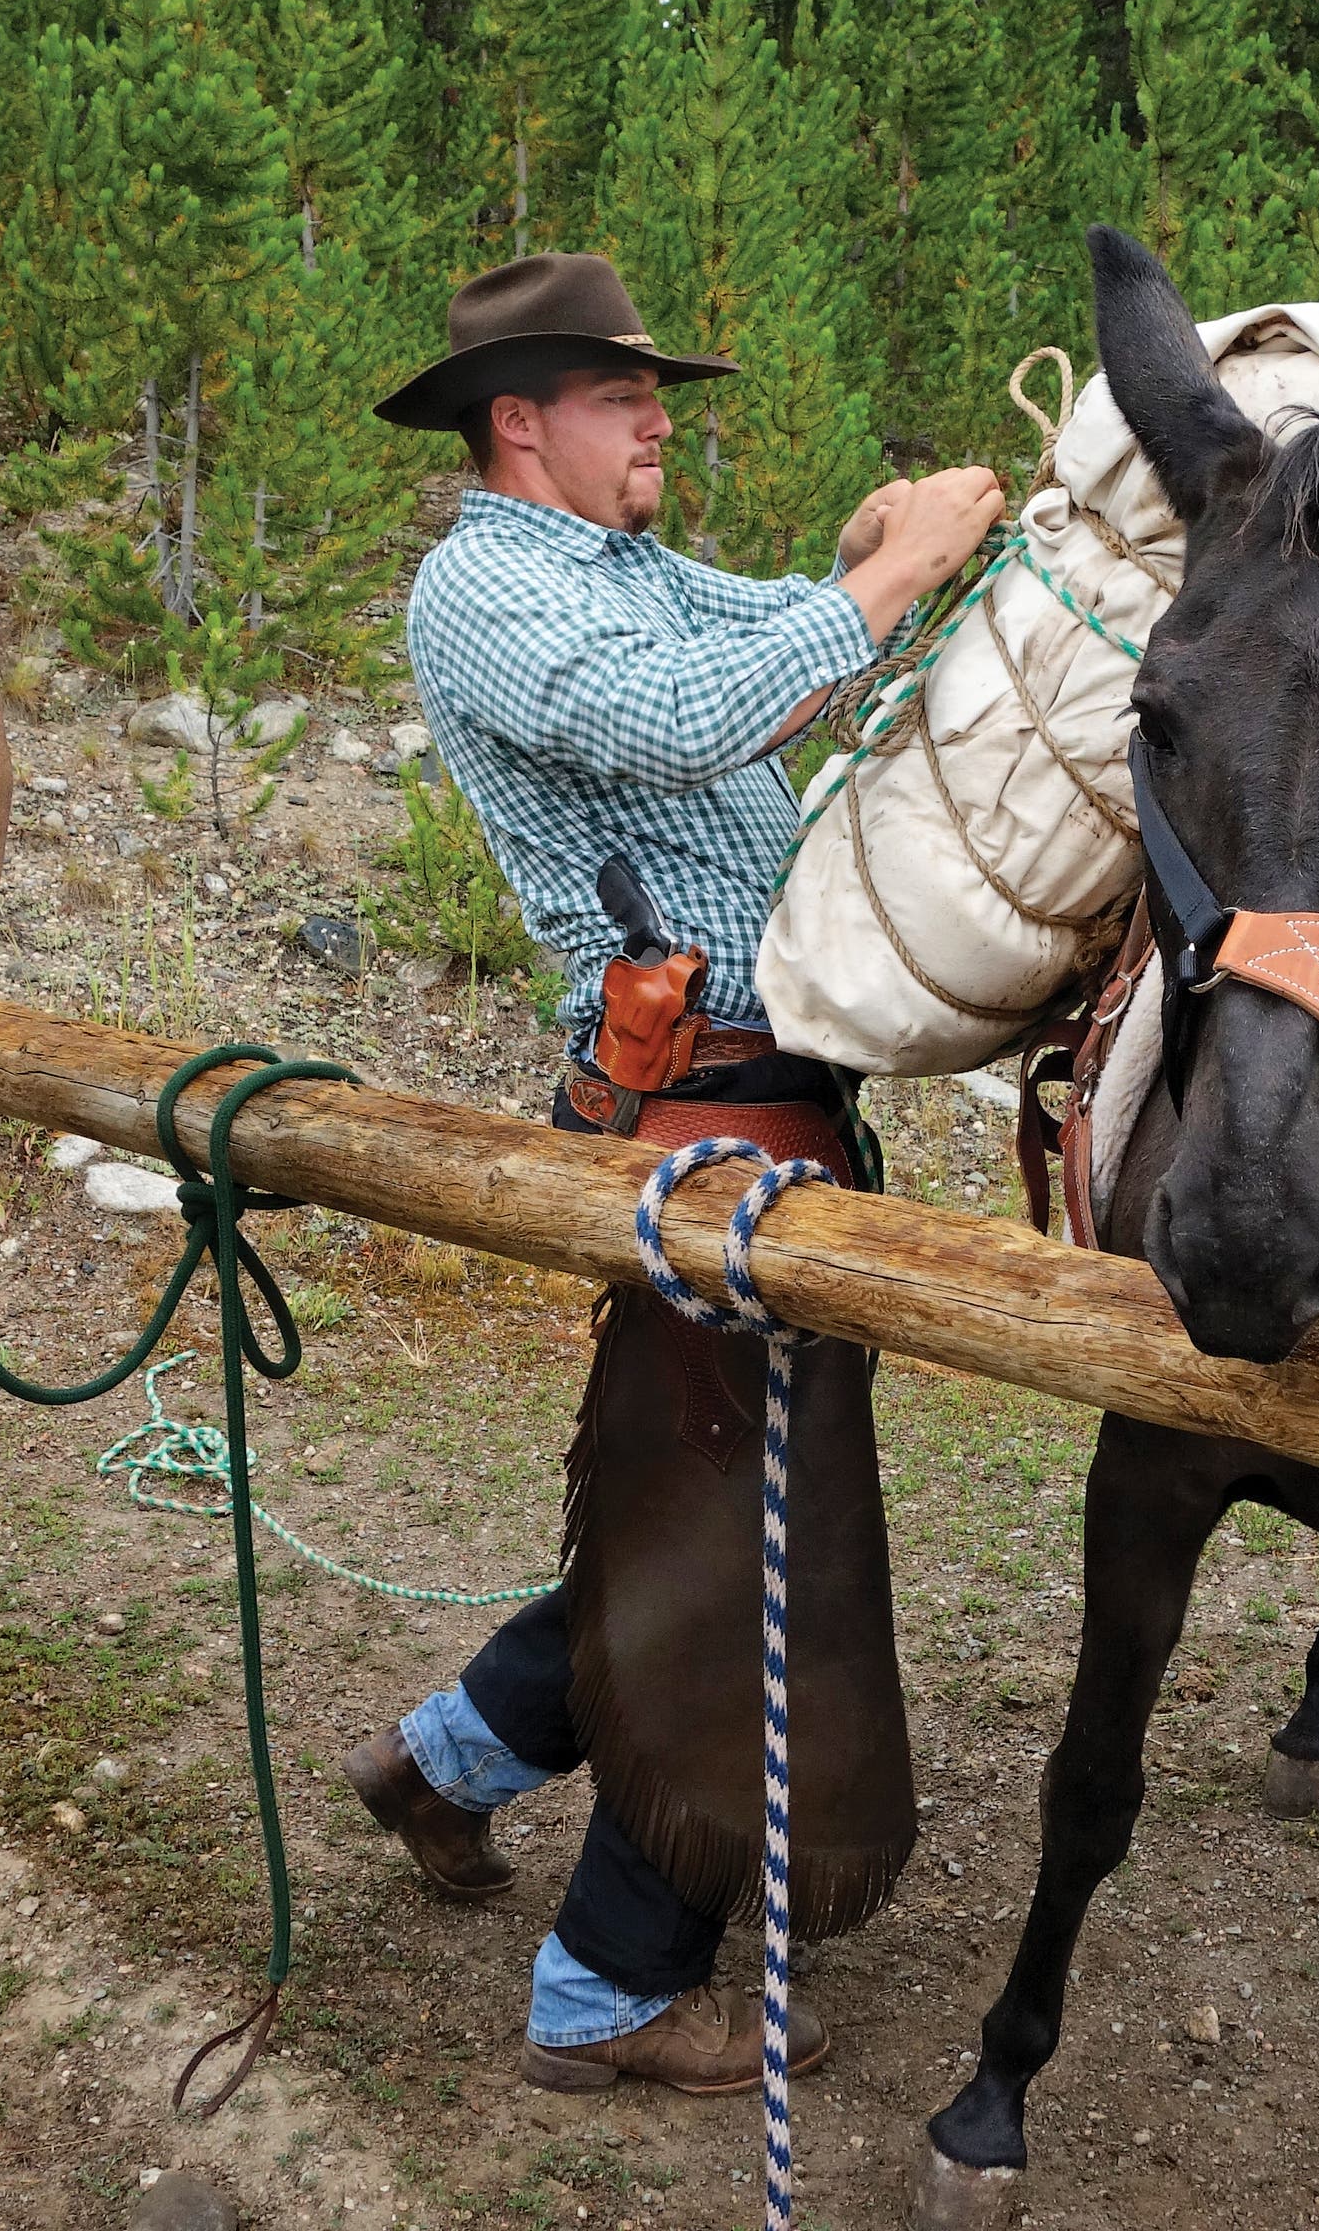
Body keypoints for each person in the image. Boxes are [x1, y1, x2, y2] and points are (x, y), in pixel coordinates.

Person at [344, 252, 1002, 2094]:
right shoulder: (481, 588)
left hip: (760, 1098)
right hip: (704, 1112)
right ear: (518, 420)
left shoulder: (621, 572)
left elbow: (752, 650)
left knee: (700, 1504)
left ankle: (452, 1757)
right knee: (736, 1543)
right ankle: (612, 1987)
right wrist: (888, 572)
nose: (658, 421)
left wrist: (867, 565)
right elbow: (684, 721)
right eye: (626, 397)